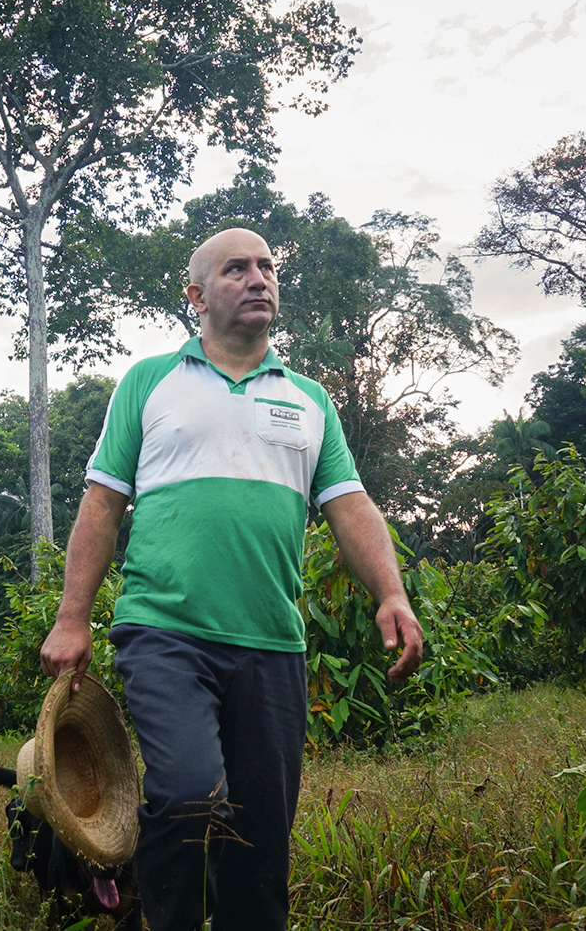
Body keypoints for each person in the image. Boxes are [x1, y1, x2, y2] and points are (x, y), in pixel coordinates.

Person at [40, 226, 424, 931]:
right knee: (188, 792)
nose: (258, 278)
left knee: (260, 834)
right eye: (235, 269)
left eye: (267, 267)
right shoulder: (150, 382)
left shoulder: (309, 400)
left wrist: (391, 593)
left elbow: (351, 506)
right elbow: (101, 503)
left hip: (273, 644)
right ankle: (158, 919)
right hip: (165, 633)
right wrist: (74, 616)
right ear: (196, 295)